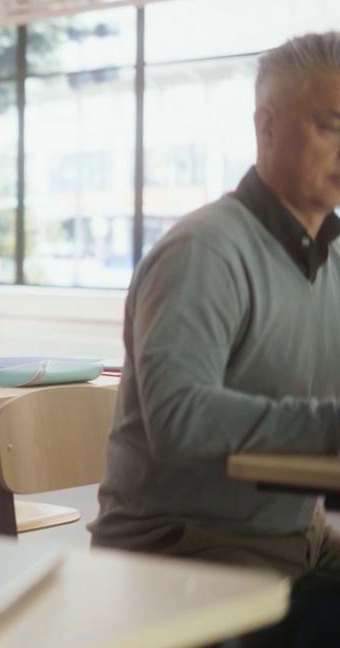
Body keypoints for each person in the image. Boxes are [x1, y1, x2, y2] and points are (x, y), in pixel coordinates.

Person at [89, 32, 340, 644]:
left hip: (299, 537)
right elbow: (181, 416)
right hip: (183, 548)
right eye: (333, 126)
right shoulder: (203, 251)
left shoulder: (333, 258)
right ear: (267, 127)